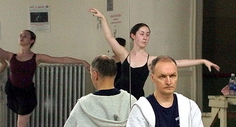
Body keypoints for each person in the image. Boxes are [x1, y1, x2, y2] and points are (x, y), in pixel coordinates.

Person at [89, 8, 220, 99]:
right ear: (133, 36)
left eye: (147, 34)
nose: (145, 37)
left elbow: (177, 62)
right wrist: (103, 18)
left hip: (136, 99)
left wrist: (202, 61)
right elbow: (110, 38)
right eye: (141, 34)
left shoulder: (150, 60)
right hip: (118, 97)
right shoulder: (124, 55)